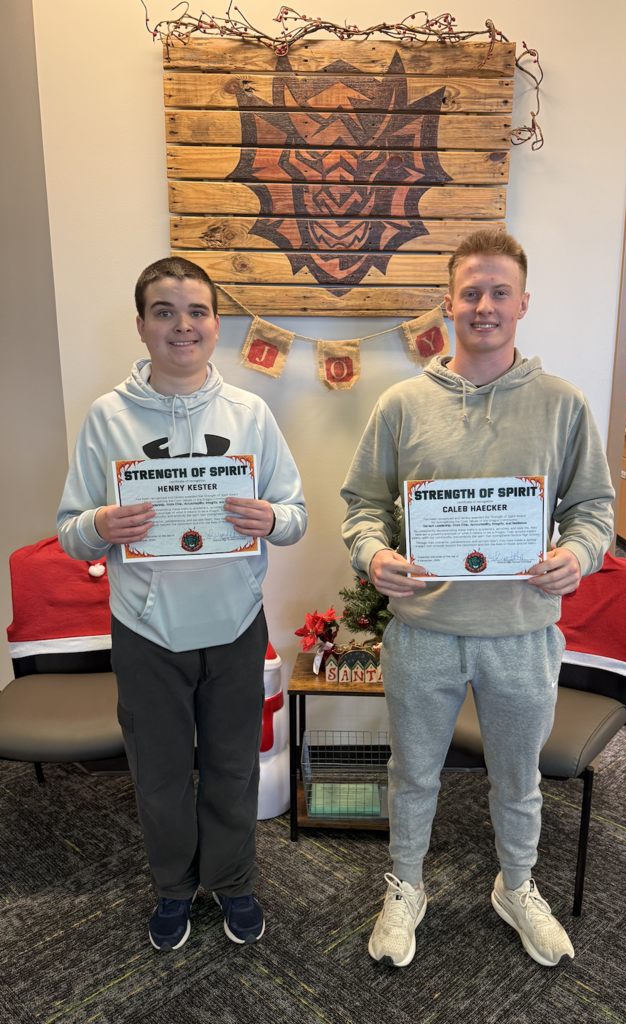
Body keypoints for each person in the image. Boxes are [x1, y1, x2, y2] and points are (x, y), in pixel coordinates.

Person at [341, 229, 614, 968]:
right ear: (448, 302)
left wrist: (575, 555)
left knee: (517, 778)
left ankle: (516, 886)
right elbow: (361, 504)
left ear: (523, 303)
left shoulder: (562, 405)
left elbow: (594, 509)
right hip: (424, 630)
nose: (484, 305)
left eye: (499, 292)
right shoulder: (400, 403)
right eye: (471, 292)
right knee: (413, 772)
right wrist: (375, 556)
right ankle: (405, 885)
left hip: (522, 631)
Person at [57, 257, 306, 951]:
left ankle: (232, 882)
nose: (181, 325)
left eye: (195, 311)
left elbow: (296, 513)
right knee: (161, 773)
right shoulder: (106, 418)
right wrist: (100, 527)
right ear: (141, 325)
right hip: (144, 628)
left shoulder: (250, 414)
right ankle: (172, 887)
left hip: (233, 625)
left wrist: (271, 521)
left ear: (216, 326)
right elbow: (70, 533)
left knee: (231, 765)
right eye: (164, 311)